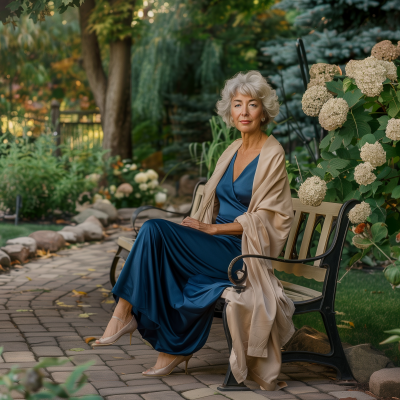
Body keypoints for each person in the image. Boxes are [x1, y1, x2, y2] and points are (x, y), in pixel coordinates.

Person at [93, 70, 295, 389]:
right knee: (154, 235)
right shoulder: (231, 151)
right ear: (229, 110)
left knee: (155, 232)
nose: (243, 112)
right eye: (237, 104)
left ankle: (130, 317)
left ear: (264, 111)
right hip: (213, 246)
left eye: (252, 104)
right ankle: (159, 338)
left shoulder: (272, 154)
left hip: (243, 254)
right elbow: (214, 202)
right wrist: (201, 228)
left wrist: (212, 230)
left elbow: (270, 219)